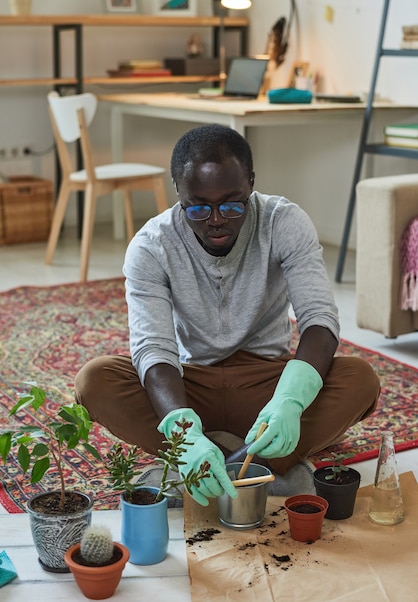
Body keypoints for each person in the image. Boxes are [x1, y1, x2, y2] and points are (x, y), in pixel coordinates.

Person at [75, 124, 380, 506]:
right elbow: (154, 348)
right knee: (95, 380)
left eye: (232, 204)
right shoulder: (151, 246)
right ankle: (256, 467)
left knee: (360, 379)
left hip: (268, 385)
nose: (216, 219)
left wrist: (290, 402)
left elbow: (319, 320)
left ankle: (207, 470)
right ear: (178, 191)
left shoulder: (283, 222)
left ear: (251, 183)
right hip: (191, 385)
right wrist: (185, 435)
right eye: (198, 207)